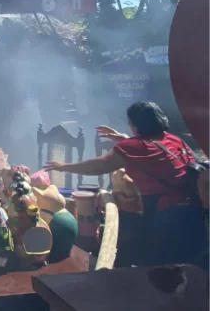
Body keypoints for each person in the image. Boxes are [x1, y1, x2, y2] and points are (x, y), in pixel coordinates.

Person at [44, 101, 207, 268]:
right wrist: (125, 139)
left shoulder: (134, 146)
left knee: (162, 271)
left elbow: (99, 166)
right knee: (192, 268)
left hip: (166, 218)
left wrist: (63, 167)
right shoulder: (174, 140)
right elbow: (154, 154)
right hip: (194, 213)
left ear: (136, 124)